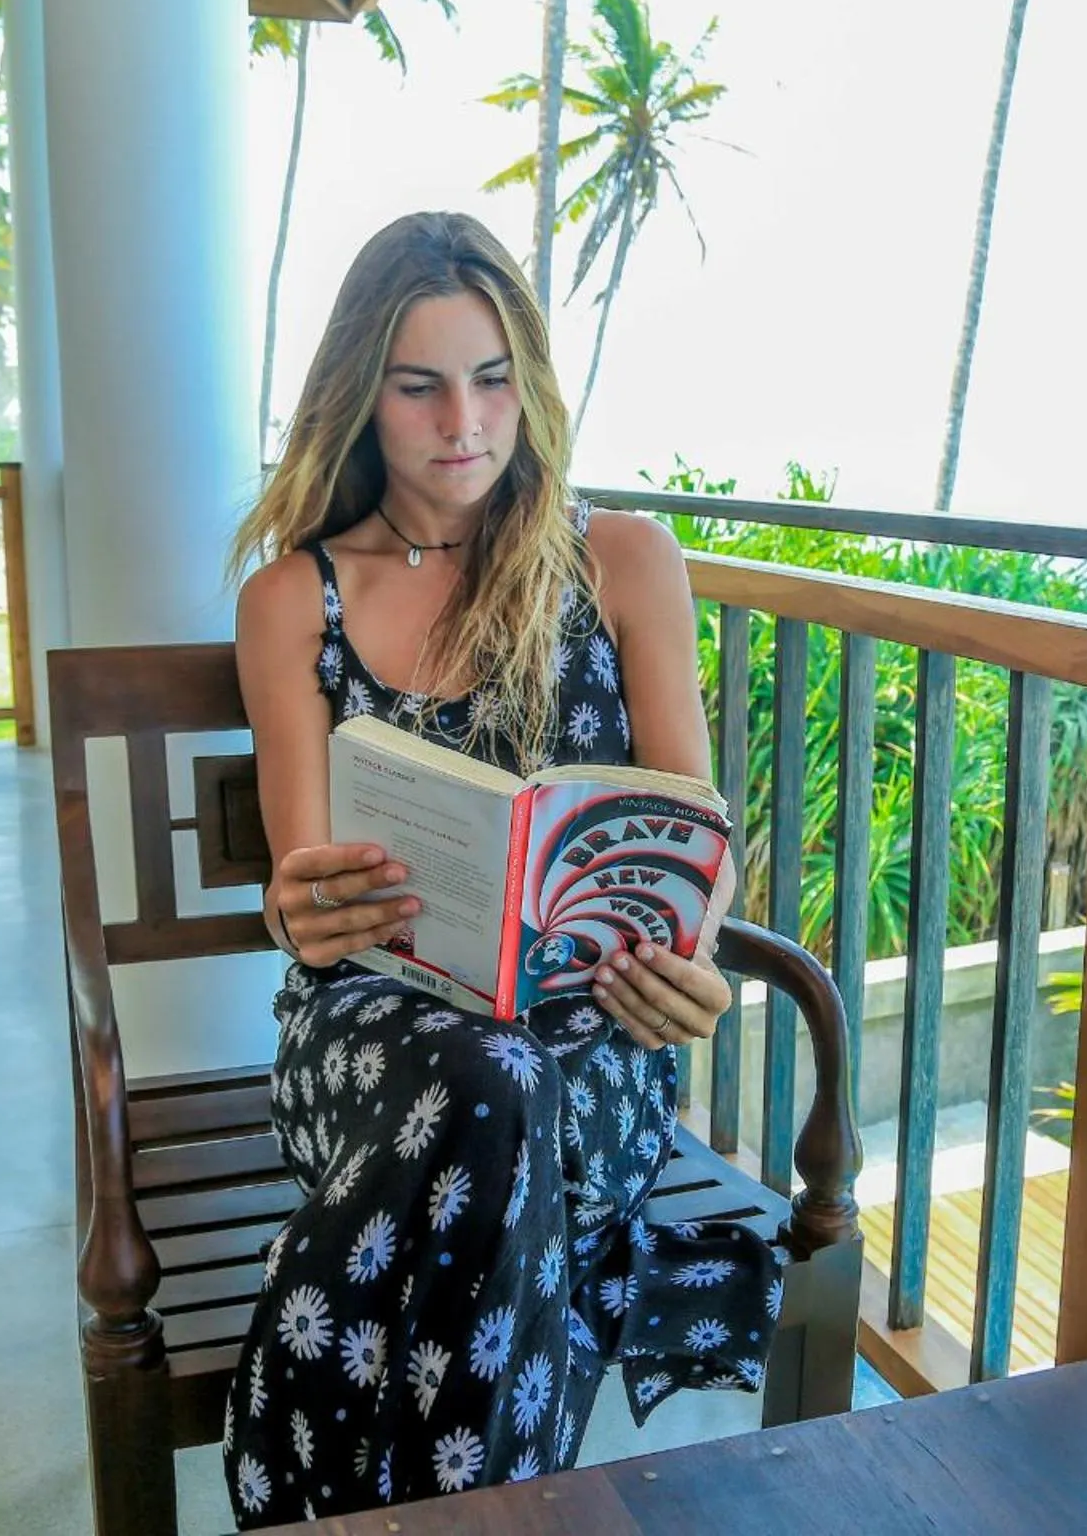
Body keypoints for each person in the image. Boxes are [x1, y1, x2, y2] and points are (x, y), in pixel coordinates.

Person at [221, 212, 780, 1527]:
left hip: (592, 1042)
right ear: (361, 396)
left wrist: (690, 965)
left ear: (529, 383)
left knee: (513, 1082)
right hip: (373, 1037)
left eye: (490, 379)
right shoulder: (296, 600)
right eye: (418, 386)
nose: (462, 422)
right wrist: (300, 907)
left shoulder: (622, 563)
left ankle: (324, 1474)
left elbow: (691, 842)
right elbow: (307, 892)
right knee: (490, 1079)